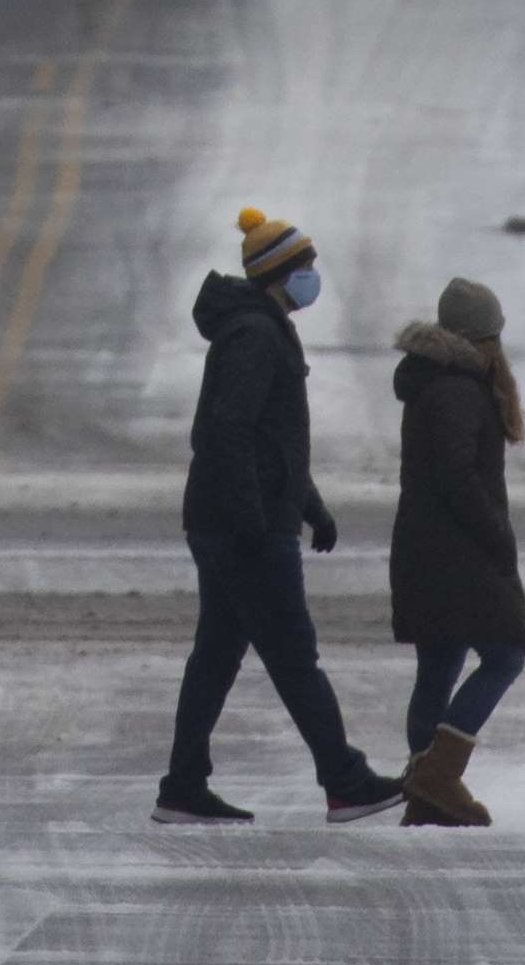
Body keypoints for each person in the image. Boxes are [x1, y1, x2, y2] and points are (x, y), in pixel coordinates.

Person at [158, 208, 407, 827]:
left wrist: (311, 508)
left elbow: (275, 444)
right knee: (294, 656)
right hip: (243, 529)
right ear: (281, 274)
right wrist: (255, 521)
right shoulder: (256, 336)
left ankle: (183, 788)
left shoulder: (262, 328)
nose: (314, 276)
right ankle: (345, 782)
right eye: (307, 267)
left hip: (231, 521)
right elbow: (229, 433)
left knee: (216, 656)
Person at [388, 275, 525, 827]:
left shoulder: (435, 382)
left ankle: (427, 794)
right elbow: (456, 475)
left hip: (426, 548)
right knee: (505, 655)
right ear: (484, 337)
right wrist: (495, 532)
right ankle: (438, 775)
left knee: (439, 663)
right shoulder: (458, 389)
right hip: (458, 550)